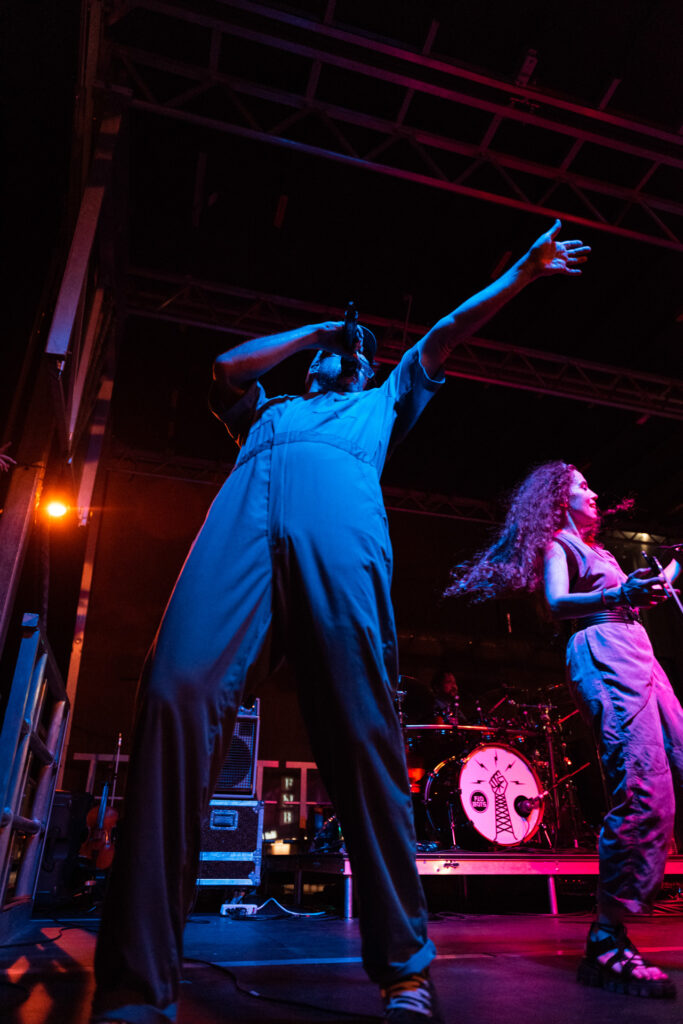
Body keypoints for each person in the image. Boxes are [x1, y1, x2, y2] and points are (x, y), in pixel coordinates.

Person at [91, 221, 590, 1024]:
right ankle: (135, 985)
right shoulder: (268, 412)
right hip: (242, 527)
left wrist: (523, 275)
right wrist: (320, 331)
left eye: (358, 353)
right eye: (340, 351)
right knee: (174, 692)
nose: (348, 356)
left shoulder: (378, 404)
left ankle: (404, 972)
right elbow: (225, 367)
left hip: (339, 534)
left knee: (362, 735)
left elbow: (443, 333)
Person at [446, 461, 682, 999]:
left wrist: (672, 569)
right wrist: (620, 596)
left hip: (639, 653)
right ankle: (607, 938)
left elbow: (642, 591)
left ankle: (613, 932)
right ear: (559, 500)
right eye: (582, 485)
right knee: (644, 786)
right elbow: (557, 603)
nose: (593, 491)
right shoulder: (560, 544)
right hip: (604, 651)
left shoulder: (601, 552)